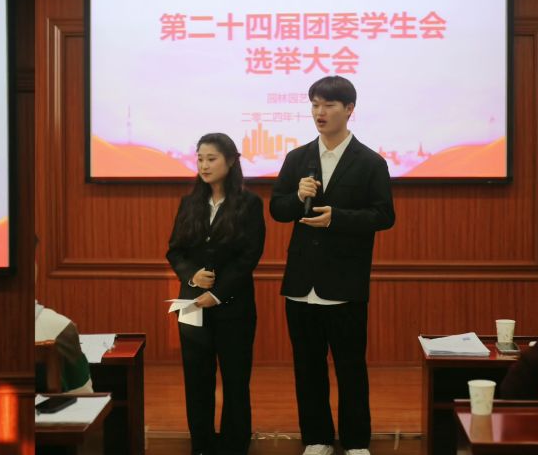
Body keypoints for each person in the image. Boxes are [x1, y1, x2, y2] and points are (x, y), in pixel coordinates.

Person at [270, 75, 395, 455]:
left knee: (350, 367)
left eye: (328, 105)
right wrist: (297, 197)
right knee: (307, 368)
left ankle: (356, 441)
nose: (319, 112)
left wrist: (336, 218)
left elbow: (384, 215)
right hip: (301, 283)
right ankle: (318, 438)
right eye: (314, 105)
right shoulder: (298, 158)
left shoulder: (370, 162)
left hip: (345, 283)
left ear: (349, 109)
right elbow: (277, 209)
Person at [167, 133, 266, 455]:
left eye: (211, 158)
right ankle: (202, 444)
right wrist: (191, 275)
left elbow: (249, 257)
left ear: (231, 161)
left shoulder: (249, 204)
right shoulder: (190, 203)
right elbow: (175, 250)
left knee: (235, 381)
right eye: (200, 159)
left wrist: (219, 294)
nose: (204, 165)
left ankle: (235, 445)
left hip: (233, 306)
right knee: (197, 381)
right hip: (192, 303)